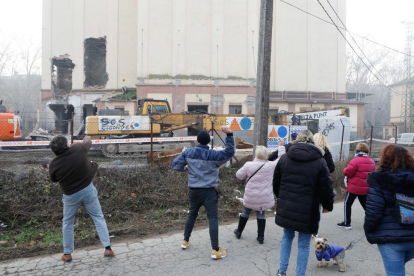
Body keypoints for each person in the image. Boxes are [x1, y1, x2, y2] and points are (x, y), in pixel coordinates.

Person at [273, 130, 335, 276]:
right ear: (312, 142)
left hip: (287, 206)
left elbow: (276, 183)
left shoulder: (285, 158)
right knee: (304, 245)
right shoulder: (320, 161)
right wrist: (327, 205)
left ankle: (282, 271)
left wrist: (281, 198)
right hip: (309, 210)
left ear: (296, 141)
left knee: (287, 237)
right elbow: (326, 187)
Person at [172, 126, 234, 260]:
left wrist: (186, 168)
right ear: (208, 142)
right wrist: (229, 135)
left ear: (197, 141)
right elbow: (230, 152)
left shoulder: (188, 153)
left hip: (194, 191)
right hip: (209, 193)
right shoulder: (214, 155)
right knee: (212, 219)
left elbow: (175, 165)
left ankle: (185, 241)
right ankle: (215, 250)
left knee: (192, 214)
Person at [49, 135, 113, 262]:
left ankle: (67, 254)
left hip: (70, 195)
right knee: (98, 217)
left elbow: (54, 179)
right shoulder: (78, 148)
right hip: (88, 190)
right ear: (67, 145)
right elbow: (88, 142)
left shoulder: (53, 164)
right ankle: (108, 248)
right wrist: (86, 137)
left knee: (67, 222)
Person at [364, 144, 414, 275]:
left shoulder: (378, 179)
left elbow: (373, 212)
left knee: (395, 272)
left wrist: (369, 232)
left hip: (390, 240)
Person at [234, 139, 285, 244]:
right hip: (264, 197)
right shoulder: (271, 165)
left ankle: (239, 232)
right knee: (261, 215)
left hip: (250, 196)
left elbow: (239, 176)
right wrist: (281, 146)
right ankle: (260, 237)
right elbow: (281, 158)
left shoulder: (248, 165)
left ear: (256, 154)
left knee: (245, 213)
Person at [337, 143, 375, 229]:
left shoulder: (355, 160)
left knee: (347, 204)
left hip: (354, 188)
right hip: (365, 188)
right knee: (366, 206)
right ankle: (372, 223)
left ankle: (347, 223)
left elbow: (347, 173)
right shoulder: (371, 161)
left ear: (358, 150)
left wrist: (344, 169)